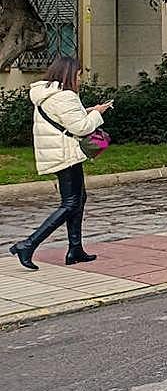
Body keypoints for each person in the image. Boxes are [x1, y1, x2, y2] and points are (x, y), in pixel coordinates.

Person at [10, 56, 113, 271]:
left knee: (78, 199)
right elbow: (82, 128)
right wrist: (96, 113)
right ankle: (28, 245)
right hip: (65, 155)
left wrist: (87, 111)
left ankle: (75, 249)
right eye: (77, 75)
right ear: (68, 74)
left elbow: (67, 120)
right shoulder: (65, 96)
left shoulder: (48, 94)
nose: (79, 79)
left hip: (59, 153)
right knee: (71, 203)